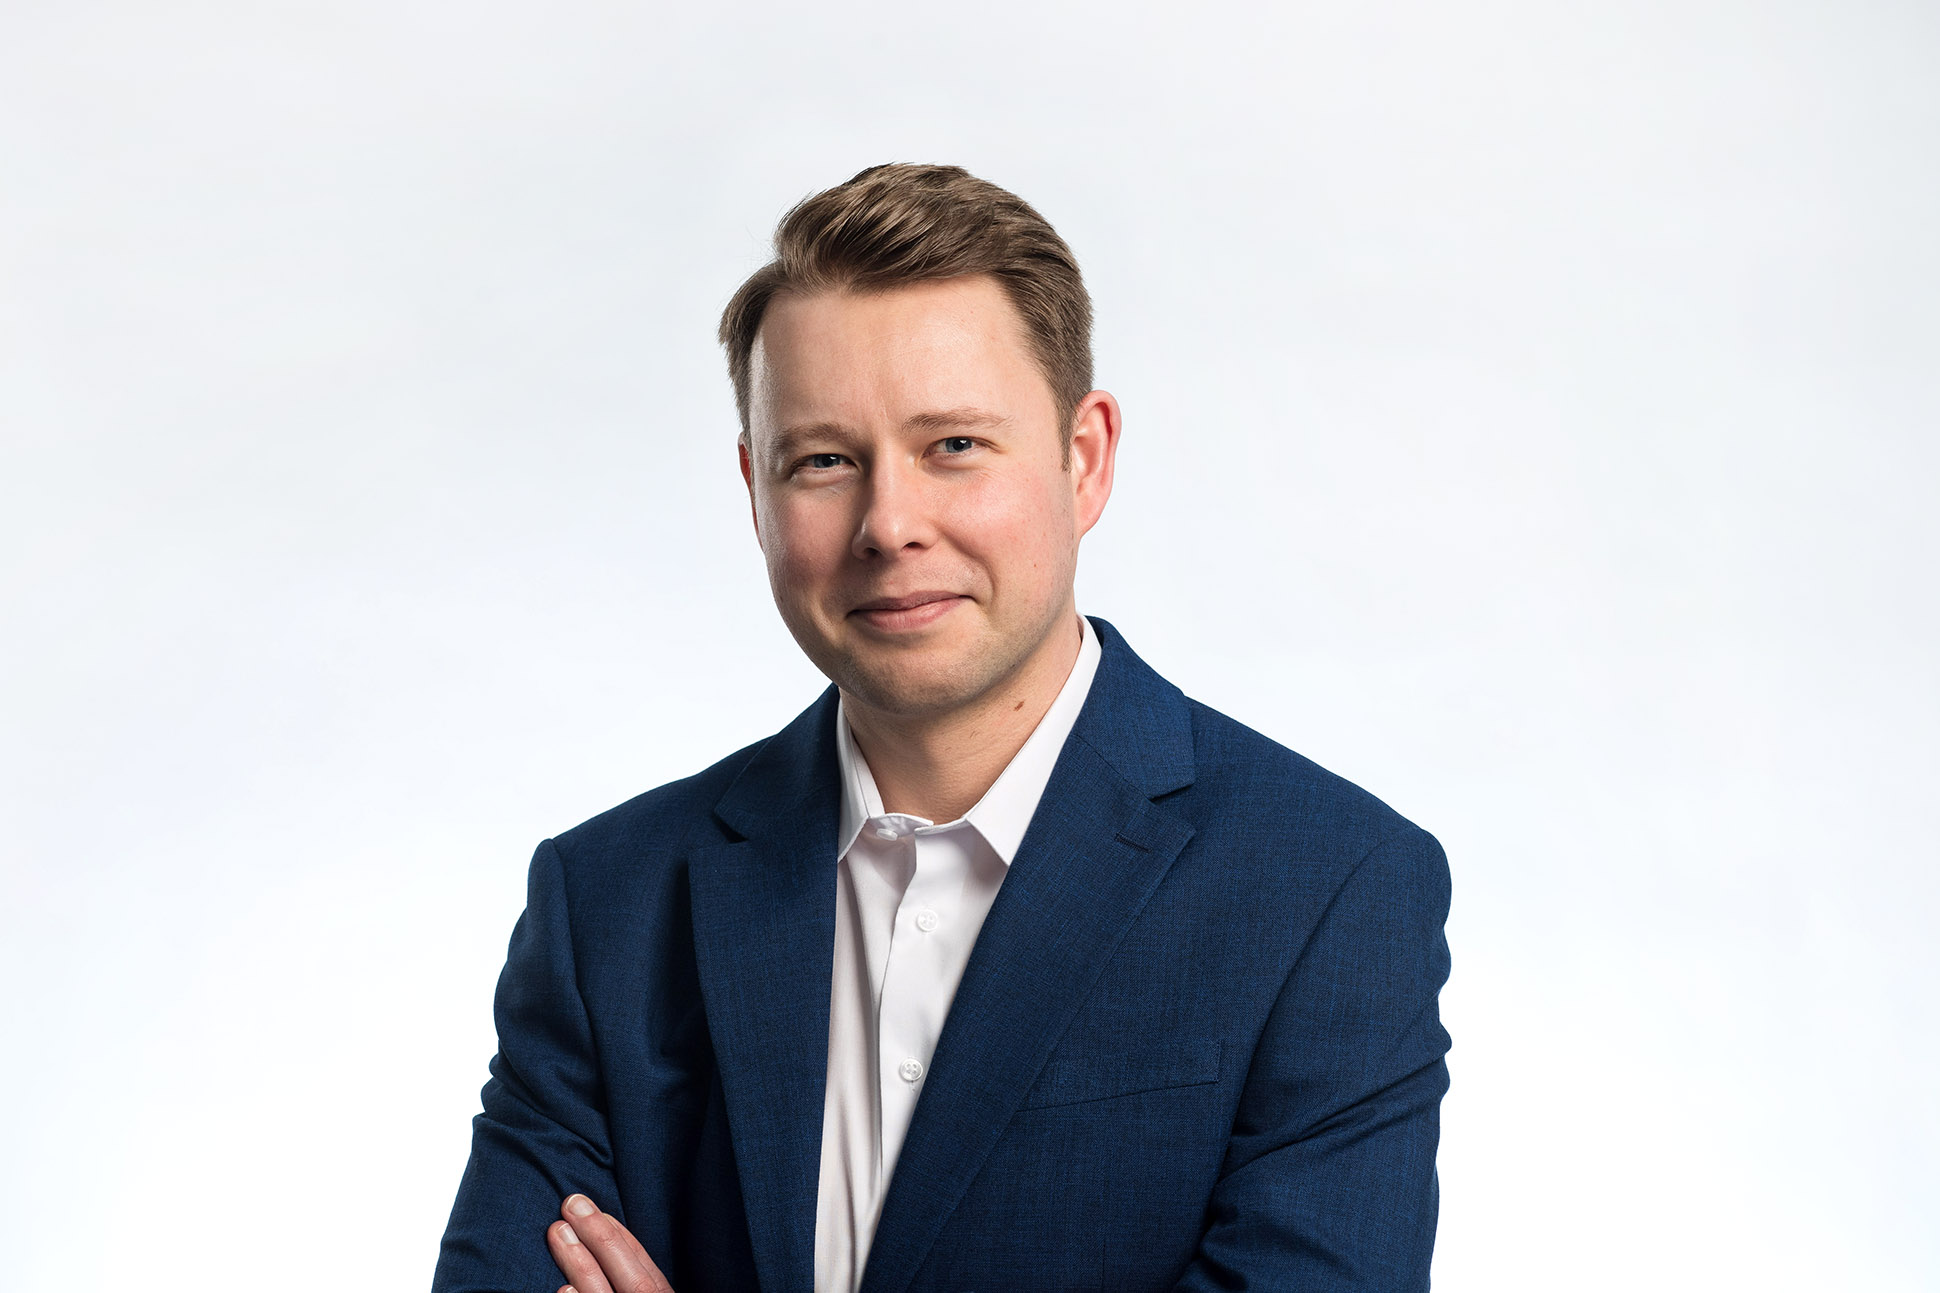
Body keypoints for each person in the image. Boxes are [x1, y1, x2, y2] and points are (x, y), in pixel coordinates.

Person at [432, 163, 1453, 1293]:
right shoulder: (608, 902)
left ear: (1084, 458)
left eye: (953, 445)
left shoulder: (1326, 886)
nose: (888, 524)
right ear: (754, 492)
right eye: (822, 461)